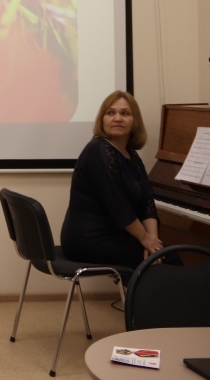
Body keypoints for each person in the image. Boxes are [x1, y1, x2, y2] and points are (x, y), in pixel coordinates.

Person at [60, 91, 165, 270]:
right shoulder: (98, 150)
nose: (117, 118)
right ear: (103, 119)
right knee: (170, 260)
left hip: (116, 235)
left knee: (162, 257)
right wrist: (145, 239)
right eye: (110, 113)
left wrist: (154, 243)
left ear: (135, 121)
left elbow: (147, 203)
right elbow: (118, 205)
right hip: (88, 239)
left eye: (125, 113)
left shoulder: (132, 155)